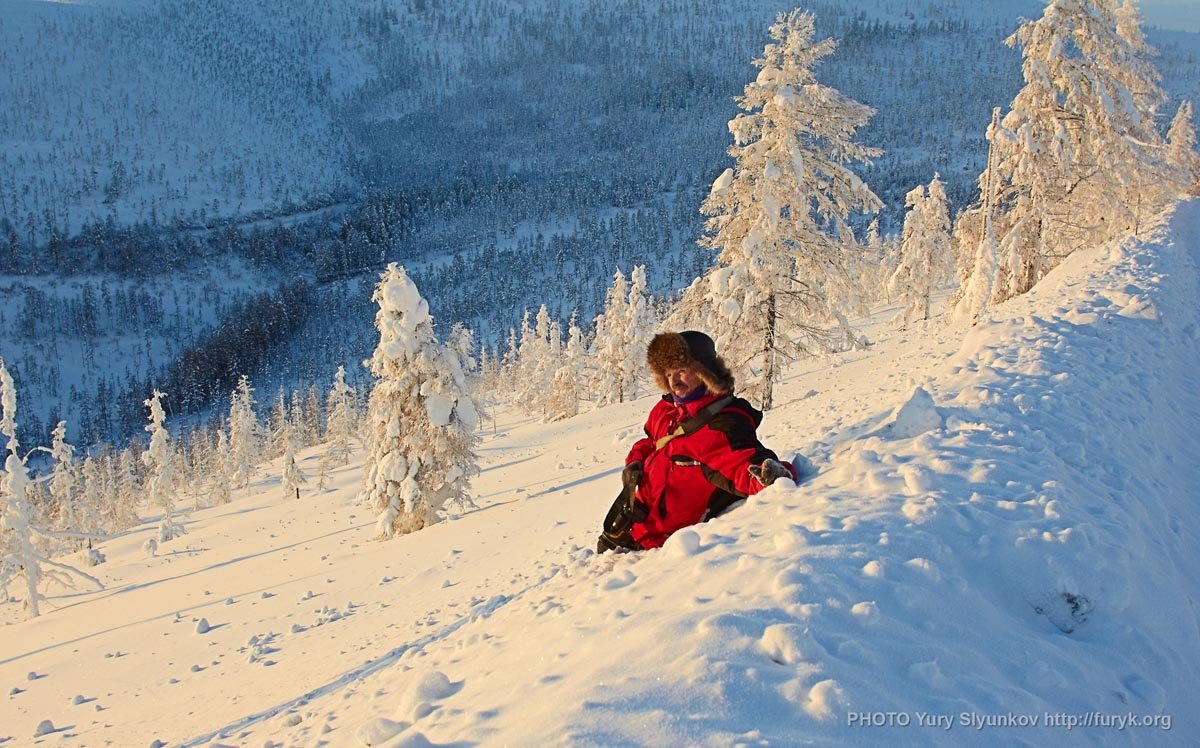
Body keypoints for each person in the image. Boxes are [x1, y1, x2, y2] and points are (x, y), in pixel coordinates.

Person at [599, 330, 795, 552]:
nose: (675, 382)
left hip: (656, 548)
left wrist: (771, 475)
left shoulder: (721, 426)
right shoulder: (666, 410)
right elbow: (651, 441)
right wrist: (635, 462)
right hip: (626, 527)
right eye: (669, 374)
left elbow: (744, 464)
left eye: (682, 371)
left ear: (705, 372)